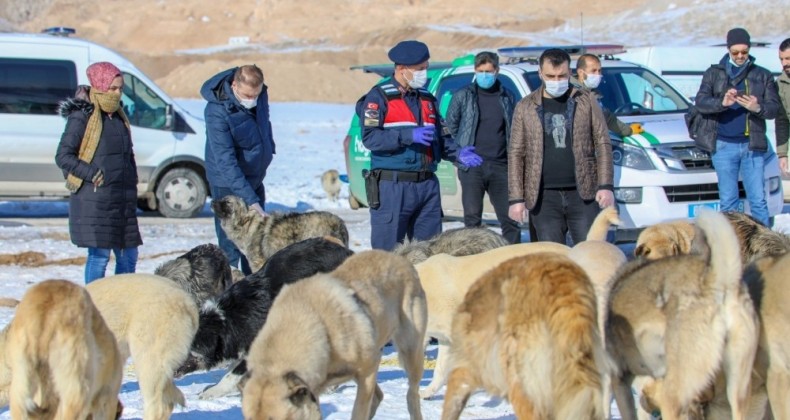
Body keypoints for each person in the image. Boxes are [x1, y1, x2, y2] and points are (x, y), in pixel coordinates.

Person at [356, 40, 483, 251]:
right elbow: (371, 138)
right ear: (401, 69)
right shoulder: (378, 97)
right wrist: (406, 136)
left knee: (430, 252)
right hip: (393, 187)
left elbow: (442, 139)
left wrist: (458, 153)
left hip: (427, 187)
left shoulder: (427, 99)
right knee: (389, 255)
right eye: (419, 69)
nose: (424, 73)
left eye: (426, 67)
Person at [507, 48, 614, 245]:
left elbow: (602, 142)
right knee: (552, 259)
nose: (556, 81)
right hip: (544, 197)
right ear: (540, 73)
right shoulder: (525, 106)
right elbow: (516, 153)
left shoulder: (585, 100)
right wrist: (516, 198)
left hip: (583, 194)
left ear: (570, 72)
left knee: (590, 251)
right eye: (550, 76)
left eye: (562, 76)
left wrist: (605, 185)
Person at [55, 62, 142, 283]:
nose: (117, 93)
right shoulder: (82, 116)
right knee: (100, 257)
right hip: (95, 198)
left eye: (120, 89)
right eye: (112, 88)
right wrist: (92, 173)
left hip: (121, 200)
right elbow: (63, 156)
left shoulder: (119, 116)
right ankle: (96, 305)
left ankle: (120, 302)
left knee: (129, 256)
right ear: (99, 86)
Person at [693, 28, 780, 226]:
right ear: (728, 50)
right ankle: (733, 246)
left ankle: (763, 248)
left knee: (758, 201)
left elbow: (774, 108)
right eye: (735, 52)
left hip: (752, 146)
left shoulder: (762, 75)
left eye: (744, 52)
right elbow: (700, 102)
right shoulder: (714, 73)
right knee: (728, 202)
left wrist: (757, 107)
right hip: (723, 145)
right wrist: (722, 103)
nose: (740, 56)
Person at [202, 65, 275, 275]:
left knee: (255, 240)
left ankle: (251, 290)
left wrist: (269, 146)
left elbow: (264, 123)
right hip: (227, 182)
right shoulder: (216, 110)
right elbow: (226, 161)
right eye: (246, 95)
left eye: (256, 95)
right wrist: (250, 200)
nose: (252, 100)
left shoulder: (260, 95)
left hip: (254, 176)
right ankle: (230, 290)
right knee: (231, 244)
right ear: (234, 85)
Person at [445, 51, 521, 244]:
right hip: (472, 166)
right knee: (472, 219)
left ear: (496, 70)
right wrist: (460, 151)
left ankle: (512, 255)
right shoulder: (464, 95)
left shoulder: (507, 97)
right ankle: (474, 258)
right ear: (475, 71)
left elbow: (513, 128)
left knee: (510, 218)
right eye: (480, 71)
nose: (484, 75)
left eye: (488, 71)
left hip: (500, 166)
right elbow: (450, 126)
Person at [574, 53, 638, 138]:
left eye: (599, 71)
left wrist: (629, 130)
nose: (598, 75)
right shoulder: (570, 93)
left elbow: (606, 117)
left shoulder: (593, 94)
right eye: (593, 71)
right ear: (581, 73)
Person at [775, 38, 790, 175]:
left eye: (788, 59)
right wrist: (782, 154)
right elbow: (782, 121)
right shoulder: (780, 84)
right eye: (782, 59)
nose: (784, 63)